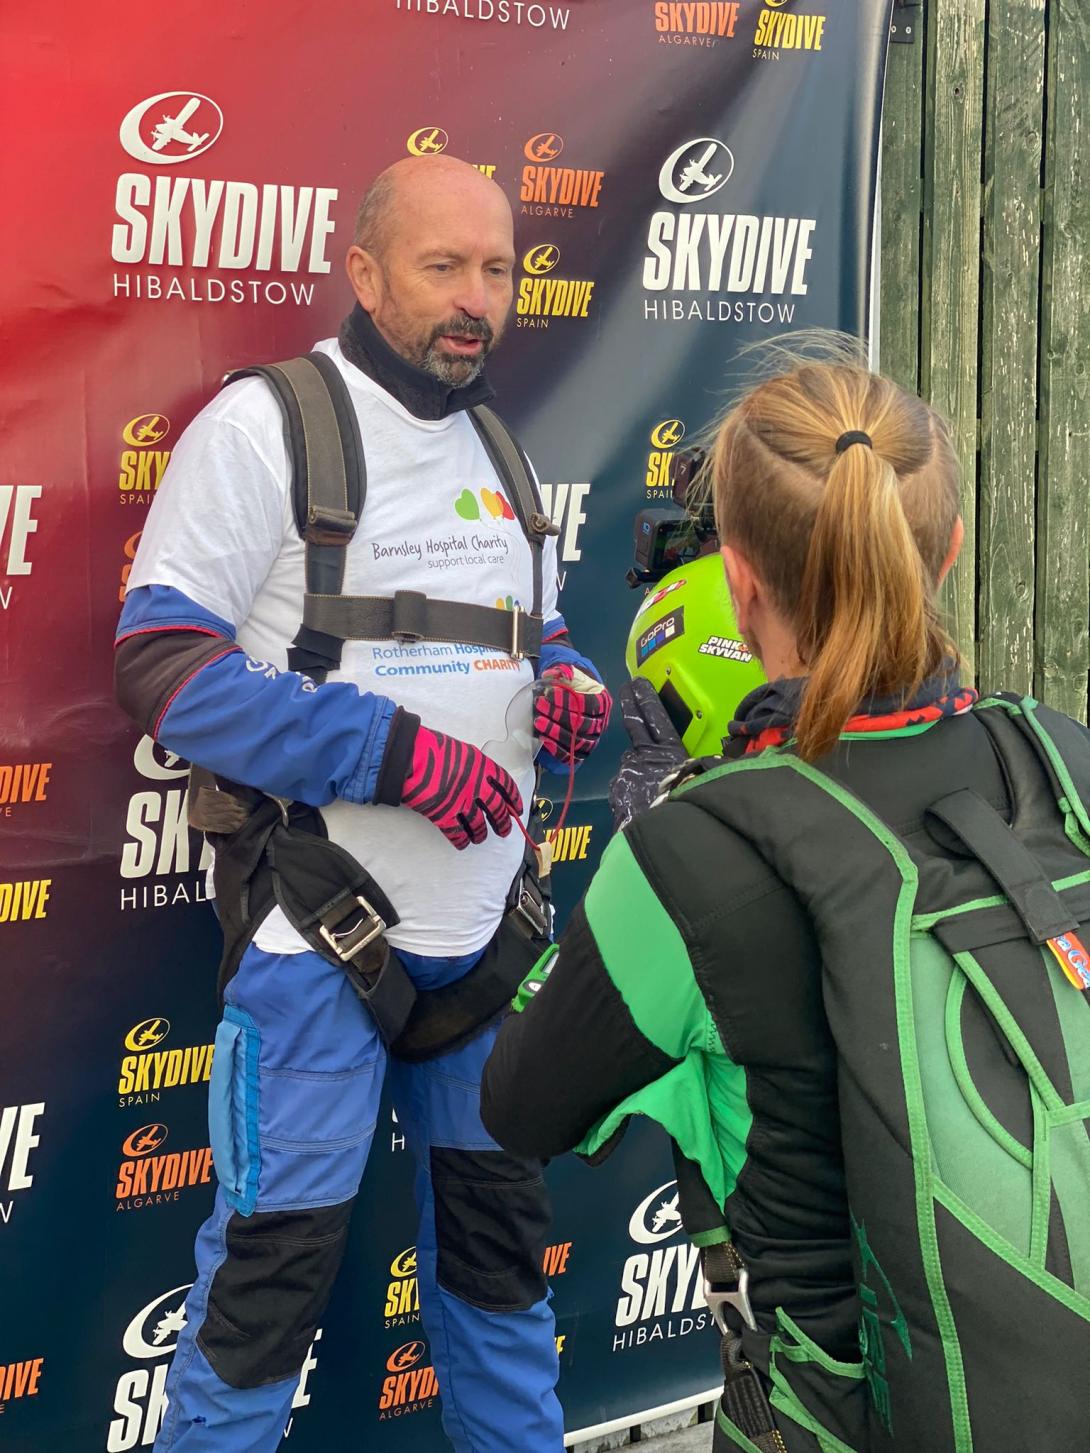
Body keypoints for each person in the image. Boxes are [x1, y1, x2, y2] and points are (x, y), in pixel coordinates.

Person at [481, 351, 1090, 1451]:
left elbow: (519, 1104)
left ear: (739, 585)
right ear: (946, 551)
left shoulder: (697, 850)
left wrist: (658, 823)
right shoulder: (1059, 758)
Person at [114, 154, 611, 1453]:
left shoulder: (496, 441)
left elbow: (535, 629)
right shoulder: (265, 425)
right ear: (364, 269)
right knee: (263, 1296)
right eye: (443, 267)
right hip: (320, 941)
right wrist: (384, 755)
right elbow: (161, 665)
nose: (474, 300)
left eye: (496, 270)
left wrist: (562, 677)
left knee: (500, 1278)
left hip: (486, 946)